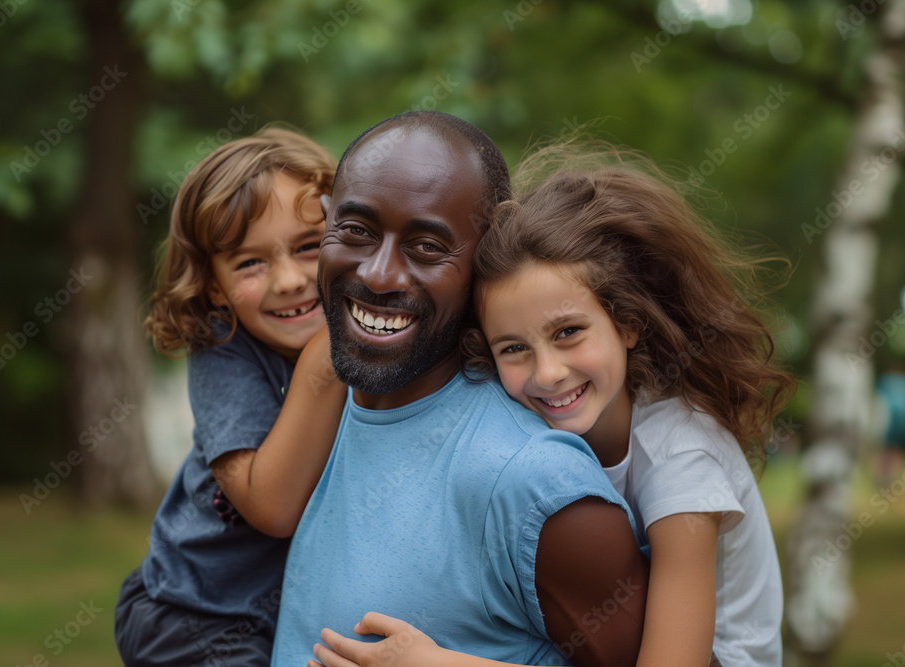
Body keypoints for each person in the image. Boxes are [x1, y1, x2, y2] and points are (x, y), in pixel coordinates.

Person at [313, 145, 794, 667]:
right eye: (513, 348)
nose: (547, 373)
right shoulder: (533, 424)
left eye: (568, 332)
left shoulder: (681, 459)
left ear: (629, 323)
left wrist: (438, 663)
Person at [271, 112, 650, 667]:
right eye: (356, 231)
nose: (378, 274)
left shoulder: (537, 485)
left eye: (427, 246)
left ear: (483, 260)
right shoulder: (323, 403)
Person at [115, 126, 347, 667]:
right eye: (250, 262)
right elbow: (272, 507)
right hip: (193, 615)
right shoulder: (222, 349)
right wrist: (323, 361)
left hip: (284, 617)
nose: (289, 280)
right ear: (215, 286)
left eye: (310, 247)